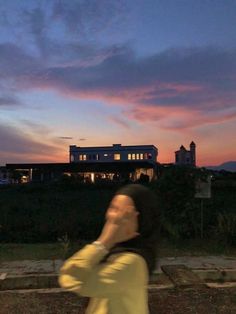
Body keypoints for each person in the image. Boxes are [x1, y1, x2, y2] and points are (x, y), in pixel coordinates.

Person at [58, 184, 160, 314]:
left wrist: (104, 241)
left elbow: (72, 277)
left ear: (142, 221)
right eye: (113, 208)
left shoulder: (132, 262)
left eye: (125, 214)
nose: (114, 217)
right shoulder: (116, 252)